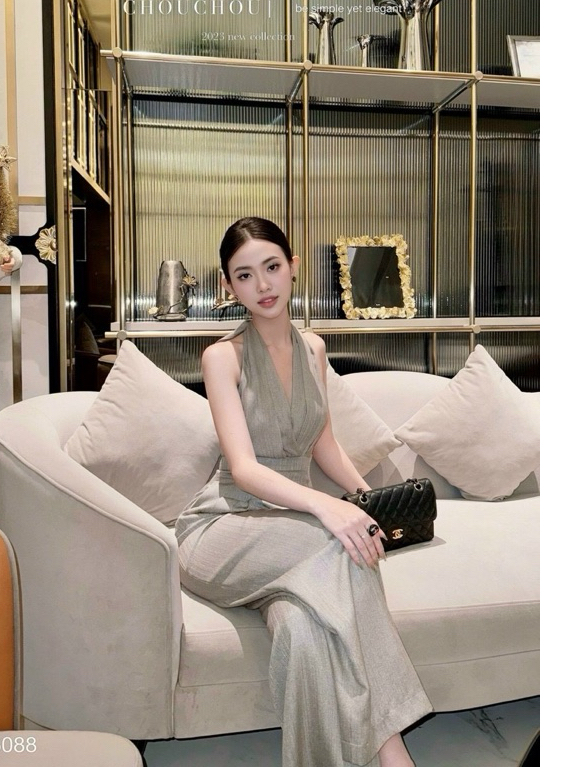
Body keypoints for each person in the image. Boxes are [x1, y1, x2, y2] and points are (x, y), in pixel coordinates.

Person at [174, 217, 432, 767]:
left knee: (303, 633)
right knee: (336, 543)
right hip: (224, 527)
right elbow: (244, 469)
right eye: (245, 275)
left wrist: (367, 502)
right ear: (228, 285)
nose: (262, 285)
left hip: (288, 535)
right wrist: (327, 508)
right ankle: (394, 755)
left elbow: (323, 444)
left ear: (292, 267)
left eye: (271, 267)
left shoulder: (314, 348)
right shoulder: (222, 357)